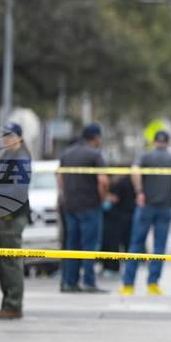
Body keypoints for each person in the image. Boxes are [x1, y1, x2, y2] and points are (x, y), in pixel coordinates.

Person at [120, 130, 171, 295]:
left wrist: (139, 192)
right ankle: (153, 284)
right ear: (168, 143)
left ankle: (128, 285)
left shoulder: (145, 157)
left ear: (154, 142)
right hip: (164, 208)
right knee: (159, 246)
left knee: (135, 244)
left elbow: (134, 171)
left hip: (145, 206)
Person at [0, 123, 32, 319]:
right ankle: (7, 302)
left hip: (12, 217)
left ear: (19, 138)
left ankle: (13, 304)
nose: (6, 140)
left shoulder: (21, 159)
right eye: (4, 136)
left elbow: (19, 191)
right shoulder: (6, 157)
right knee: (2, 262)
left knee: (11, 262)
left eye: (9, 136)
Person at [57, 123, 109, 293]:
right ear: (95, 138)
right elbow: (103, 180)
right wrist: (101, 200)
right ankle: (89, 281)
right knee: (90, 245)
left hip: (70, 205)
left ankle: (69, 282)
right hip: (89, 205)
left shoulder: (67, 153)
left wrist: (65, 194)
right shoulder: (94, 154)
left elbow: (60, 177)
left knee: (72, 244)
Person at [99, 171, 135, 276]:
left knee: (112, 243)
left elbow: (114, 199)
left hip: (116, 219)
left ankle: (112, 267)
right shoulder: (130, 183)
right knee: (127, 243)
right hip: (127, 217)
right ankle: (127, 266)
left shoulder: (119, 185)